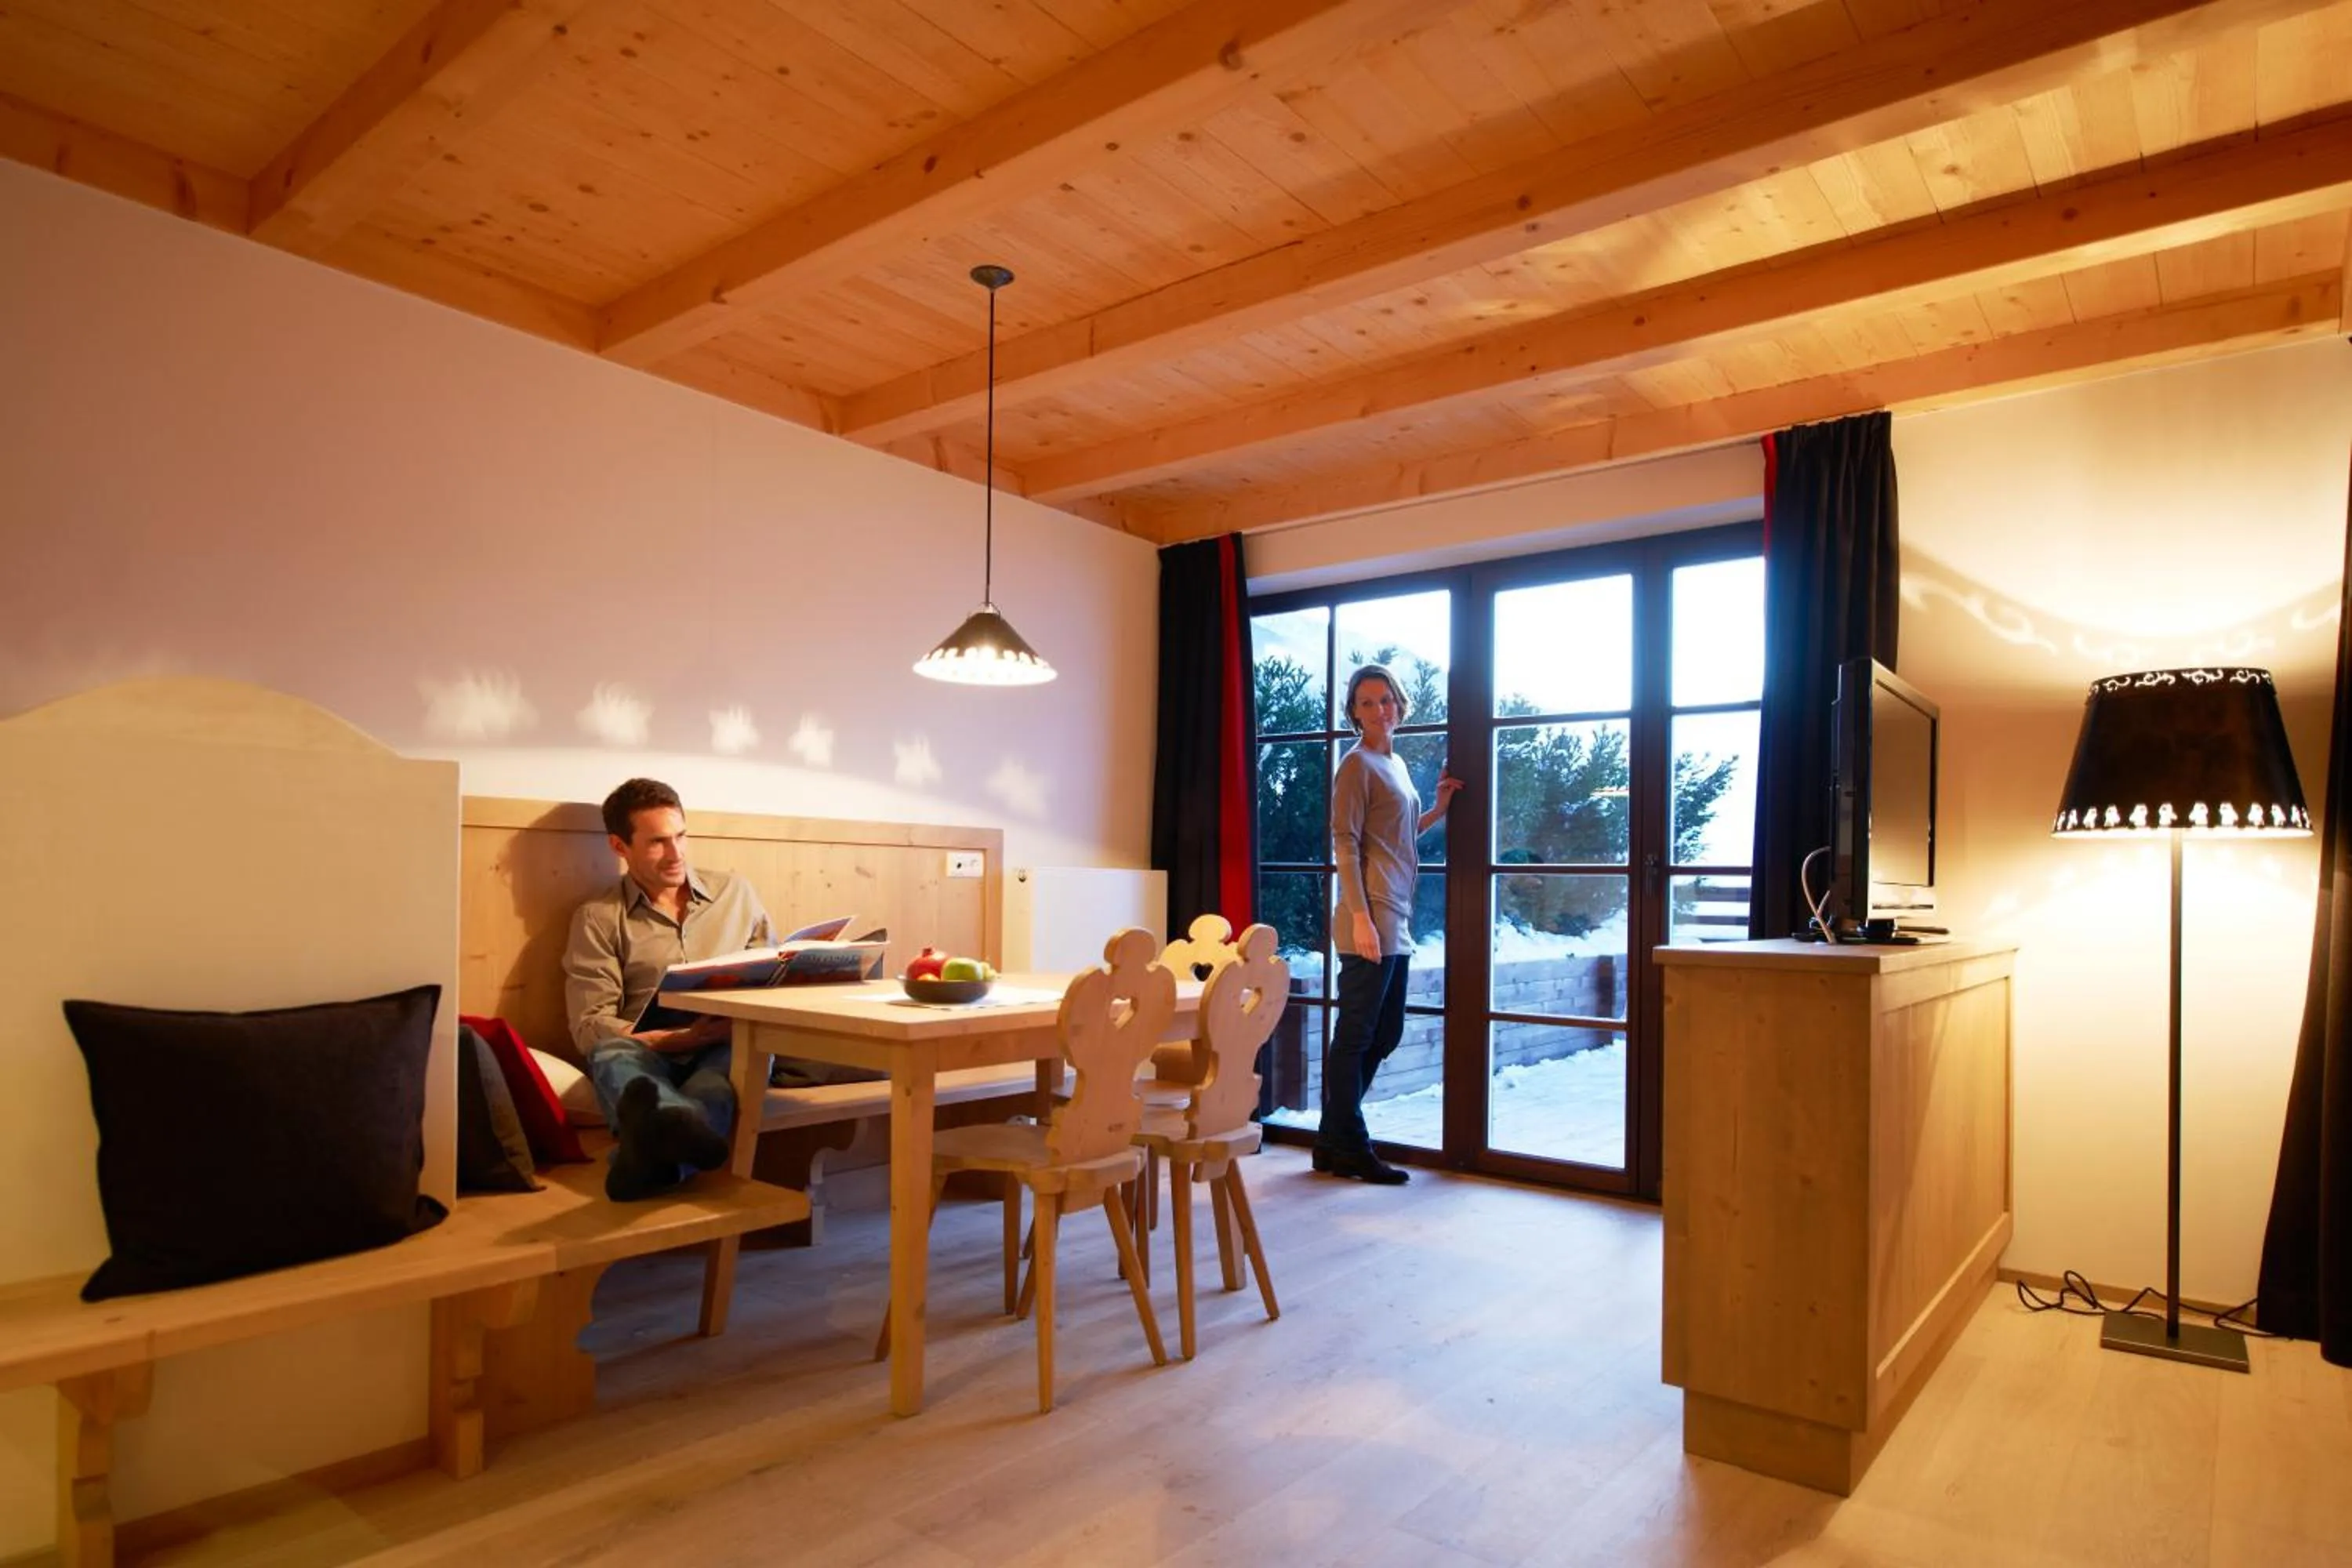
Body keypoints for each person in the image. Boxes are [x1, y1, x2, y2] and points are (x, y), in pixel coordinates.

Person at [564, 778, 769, 1201]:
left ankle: (645, 1161)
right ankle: (674, 1146)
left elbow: (771, 974)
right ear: (619, 847)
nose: (676, 854)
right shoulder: (599, 917)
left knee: (716, 1083)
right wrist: (671, 1039)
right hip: (649, 1049)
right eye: (658, 842)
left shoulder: (735, 894)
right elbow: (589, 1025)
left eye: (681, 836)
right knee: (609, 1054)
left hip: (726, 1040)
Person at [1316, 664, 1460, 1184]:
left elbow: (1395, 836)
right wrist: (1361, 920)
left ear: (1399, 704)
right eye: (1367, 703)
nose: (1380, 710)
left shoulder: (1393, 763)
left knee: (1386, 1032)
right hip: (1368, 918)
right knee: (1357, 1035)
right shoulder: (1356, 765)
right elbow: (1346, 843)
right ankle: (1352, 1146)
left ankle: (1331, 1141)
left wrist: (1437, 809)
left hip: (1394, 916)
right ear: (1354, 713)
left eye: (1386, 700)